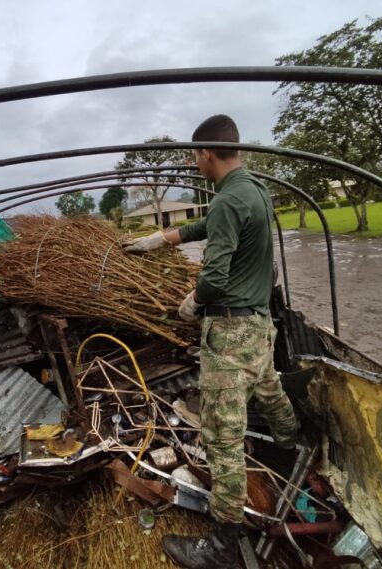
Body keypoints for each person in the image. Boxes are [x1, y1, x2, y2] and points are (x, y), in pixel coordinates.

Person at [124, 115, 298, 569]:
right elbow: (214, 225)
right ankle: (293, 450)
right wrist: (163, 237)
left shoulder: (228, 201)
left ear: (204, 153)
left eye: (192, 155)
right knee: (270, 391)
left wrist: (192, 301)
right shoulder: (253, 189)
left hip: (231, 334)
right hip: (260, 326)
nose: (191, 161)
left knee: (222, 440)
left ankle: (222, 546)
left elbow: (215, 276)